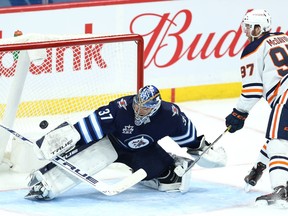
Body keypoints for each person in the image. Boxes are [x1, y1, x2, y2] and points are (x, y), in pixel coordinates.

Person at [25, 85, 227, 200]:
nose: (139, 110)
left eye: (145, 108)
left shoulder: (170, 115)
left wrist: (204, 150)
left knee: (172, 180)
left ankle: (166, 166)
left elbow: (191, 140)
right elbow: (87, 128)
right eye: (137, 105)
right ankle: (46, 180)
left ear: (155, 107)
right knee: (88, 157)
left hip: (141, 151)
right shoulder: (120, 108)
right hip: (109, 143)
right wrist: (56, 140)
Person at [225, 9, 288, 207]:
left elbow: (252, 91)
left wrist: (238, 113)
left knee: (278, 139)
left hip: (286, 93)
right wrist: (259, 166)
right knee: (280, 138)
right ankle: (259, 167)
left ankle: (281, 191)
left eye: (248, 26)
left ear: (258, 27)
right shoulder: (284, 37)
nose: (245, 31)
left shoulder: (252, 49)